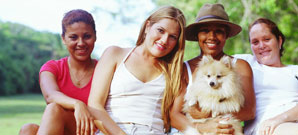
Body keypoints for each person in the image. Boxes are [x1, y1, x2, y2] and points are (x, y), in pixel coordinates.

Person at [87, 6, 186, 135]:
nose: (164, 40)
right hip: (112, 131)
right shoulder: (115, 54)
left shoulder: (175, 71)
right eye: (160, 30)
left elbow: (175, 116)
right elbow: (94, 105)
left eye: (172, 37)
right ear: (147, 26)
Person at [169, 3, 256, 134]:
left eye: (219, 32)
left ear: (226, 35)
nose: (212, 37)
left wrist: (207, 114)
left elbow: (249, 111)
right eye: (205, 31)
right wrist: (201, 128)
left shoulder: (239, 65)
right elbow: (175, 116)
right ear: (197, 35)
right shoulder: (184, 69)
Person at [19, 9, 98, 135]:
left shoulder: (103, 69)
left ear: (95, 36)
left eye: (87, 36)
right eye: (73, 37)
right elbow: (50, 96)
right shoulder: (52, 67)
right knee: (28, 129)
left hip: (92, 131)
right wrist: (77, 104)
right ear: (63, 39)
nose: (81, 43)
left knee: (54, 108)